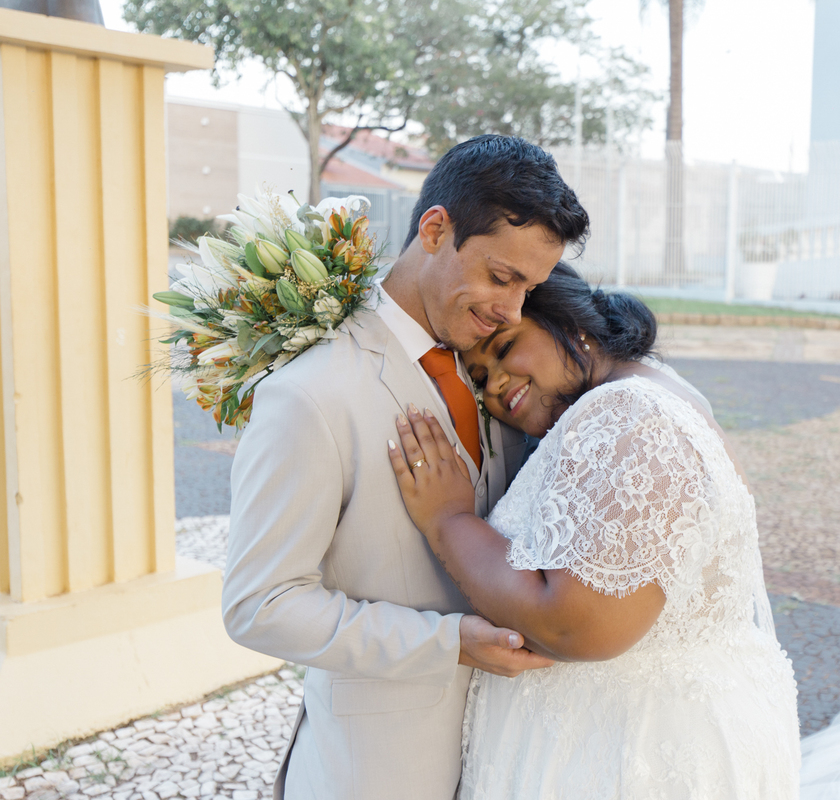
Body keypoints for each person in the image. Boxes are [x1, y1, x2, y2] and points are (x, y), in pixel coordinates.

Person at [221, 136, 590, 800]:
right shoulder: (310, 394)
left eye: (529, 288)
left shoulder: (496, 364)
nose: (511, 308)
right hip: (375, 774)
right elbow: (260, 606)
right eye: (501, 276)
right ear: (434, 228)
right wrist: (446, 642)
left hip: (510, 758)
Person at [388, 263, 803, 799]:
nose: (497, 385)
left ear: (570, 323)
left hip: (636, 757)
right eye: (482, 379)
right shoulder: (637, 391)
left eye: (506, 346)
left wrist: (449, 521)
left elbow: (576, 626)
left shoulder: (629, 414)